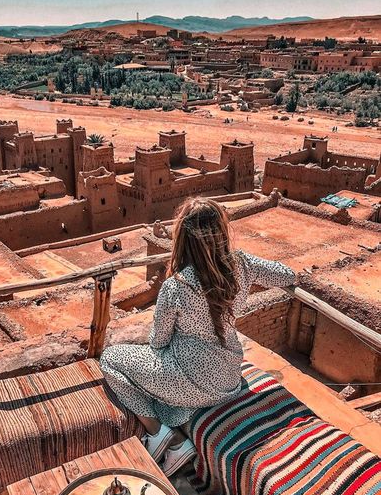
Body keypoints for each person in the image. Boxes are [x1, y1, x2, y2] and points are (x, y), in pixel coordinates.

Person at [100, 197, 296, 476]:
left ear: (183, 239)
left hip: (191, 381)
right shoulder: (242, 265)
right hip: (229, 380)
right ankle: (173, 436)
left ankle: (159, 434)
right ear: (221, 231)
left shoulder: (176, 286)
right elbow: (286, 274)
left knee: (110, 359)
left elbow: (158, 343)